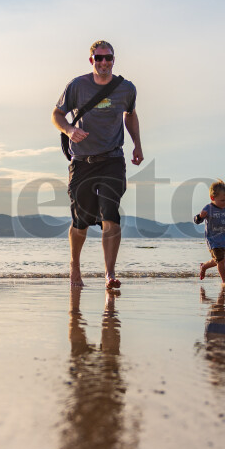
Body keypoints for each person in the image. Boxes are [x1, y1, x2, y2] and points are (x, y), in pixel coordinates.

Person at [52, 40, 143, 289]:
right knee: (81, 220)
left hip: (113, 159)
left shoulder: (126, 89)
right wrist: (70, 130)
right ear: (91, 60)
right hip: (82, 162)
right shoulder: (77, 86)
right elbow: (57, 114)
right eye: (99, 58)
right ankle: (75, 266)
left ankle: (109, 273)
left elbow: (131, 115)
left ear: (114, 59)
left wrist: (137, 144)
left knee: (110, 215)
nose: (104, 62)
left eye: (108, 58)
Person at [194, 180, 225, 286]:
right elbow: (197, 221)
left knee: (217, 261)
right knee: (221, 260)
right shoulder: (209, 208)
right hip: (213, 240)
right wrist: (200, 216)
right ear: (212, 198)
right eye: (222, 200)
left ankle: (204, 266)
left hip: (223, 240)